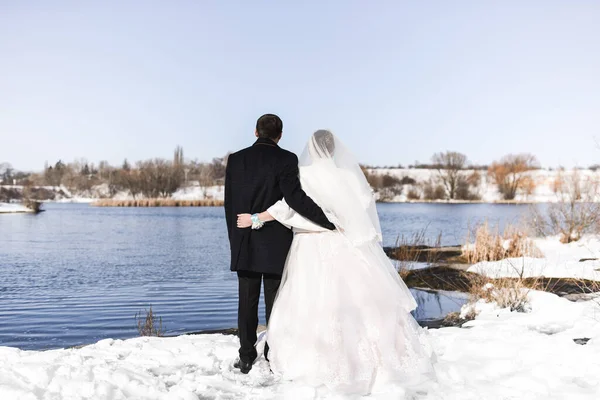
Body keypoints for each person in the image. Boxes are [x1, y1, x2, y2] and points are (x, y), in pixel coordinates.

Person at [237, 130, 435, 395]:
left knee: (311, 299)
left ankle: (315, 358)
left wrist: (257, 218)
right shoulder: (348, 175)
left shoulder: (303, 174)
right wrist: (342, 219)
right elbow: (364, 202)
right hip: (343, 243)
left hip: (309, 246)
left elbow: (288, 205)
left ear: (312, 148)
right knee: (354, 300)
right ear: (333, 150)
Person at [224, 115, 335, 374]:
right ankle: (273, 355)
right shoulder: (286, 159)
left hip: (244, 238)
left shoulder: (236, 160)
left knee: (246, 302)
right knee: (275, 302)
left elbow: (230, 204)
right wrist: (327, 221)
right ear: (280, 135)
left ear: (255, 132)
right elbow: (295, 198)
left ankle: (246, 356)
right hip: (276, 241)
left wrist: (236, 238)